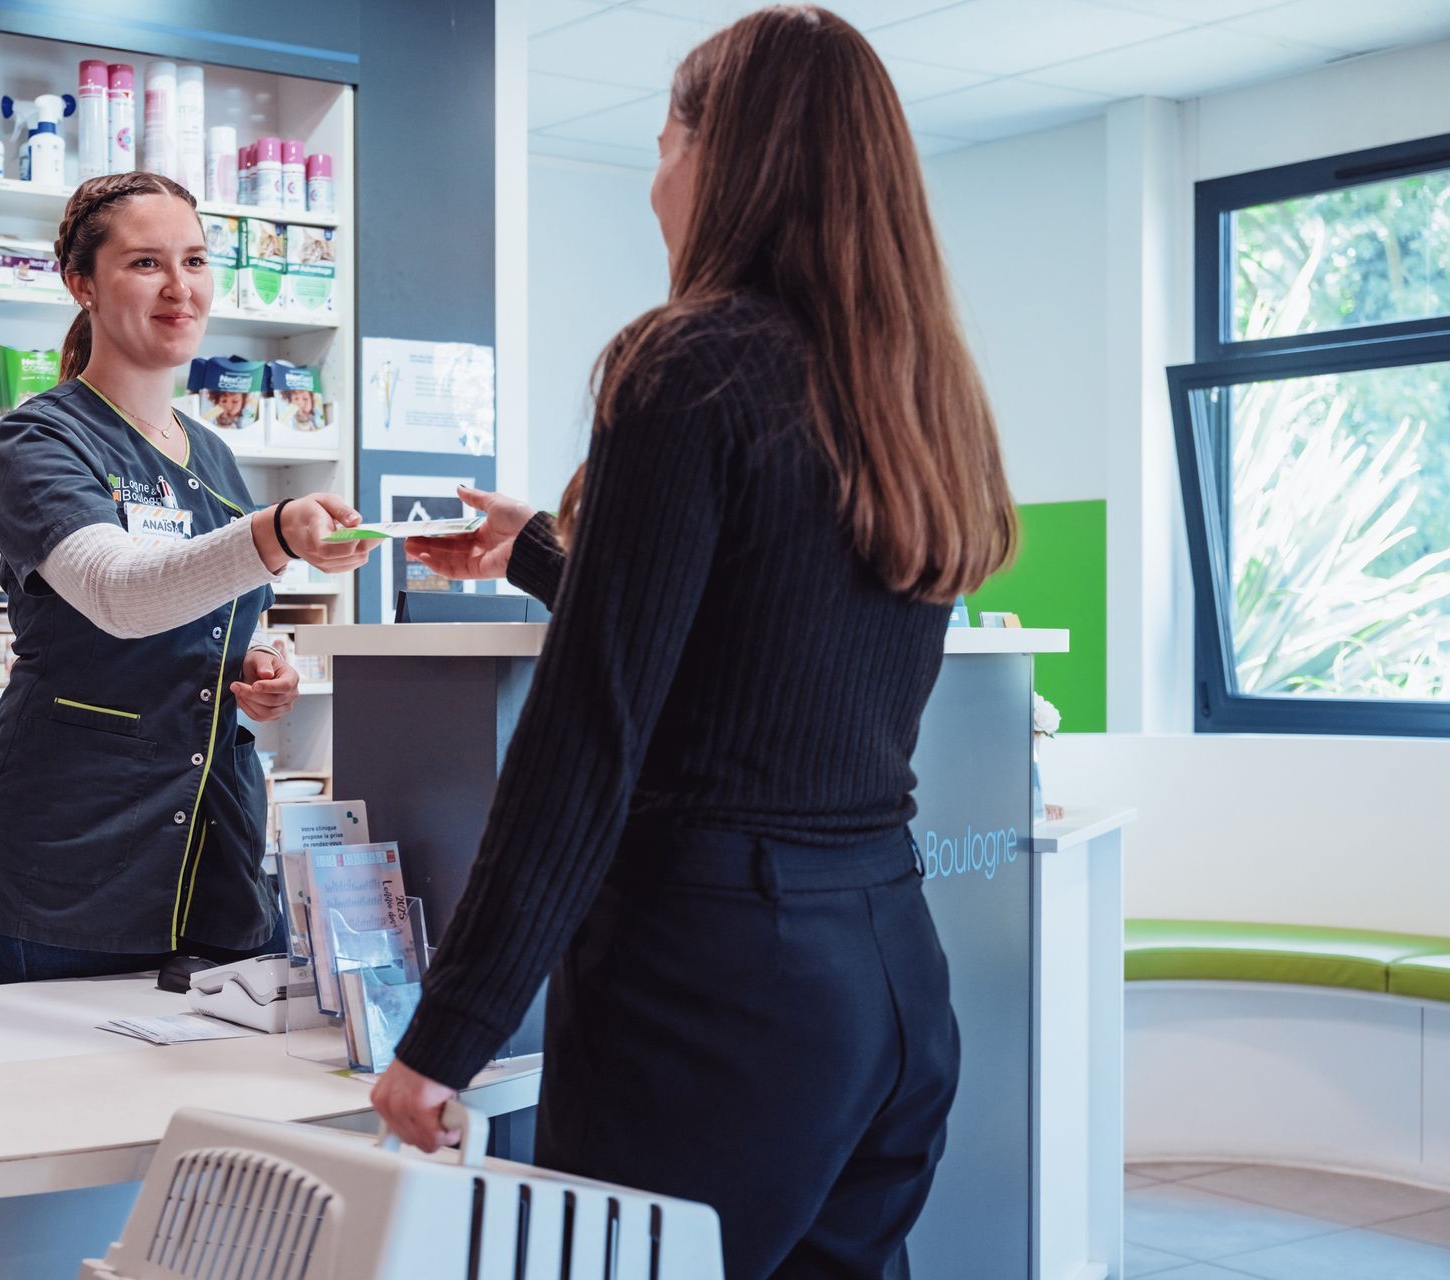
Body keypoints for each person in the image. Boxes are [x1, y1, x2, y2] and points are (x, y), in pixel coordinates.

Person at [370, 9, 1017, 1279]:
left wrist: (450, 1030)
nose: (654, 176)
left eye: (664, 138)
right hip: (886, 973)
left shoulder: (689, 362)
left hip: (713, 984)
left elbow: (588, 736)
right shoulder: (918, 389)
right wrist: (551, 555)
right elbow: (764, 645)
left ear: (726, 158)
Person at [0, 172, 374, 984]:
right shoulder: (37, 441)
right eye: (145, 264)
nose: (181, 288)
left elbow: (208, 612)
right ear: (82, 284)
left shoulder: (210, 452)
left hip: (216, 850)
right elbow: (120, 593)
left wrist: (251, 664)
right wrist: (275, 530)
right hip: (74, 858)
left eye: (196, 261)